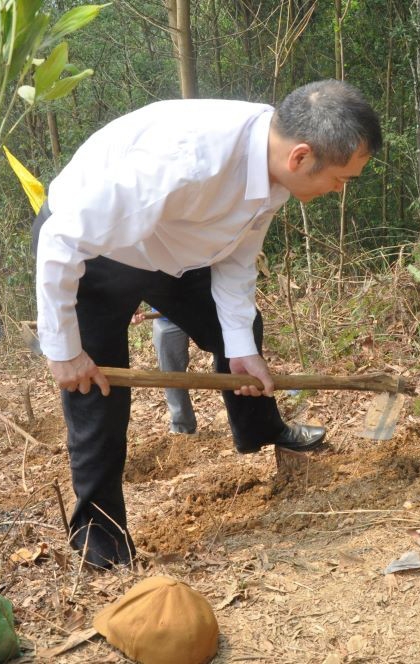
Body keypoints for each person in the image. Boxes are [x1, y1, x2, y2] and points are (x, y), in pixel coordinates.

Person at [33, 79, 382, 568]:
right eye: (342, 179)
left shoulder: (275, 163)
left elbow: (238, 256)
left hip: (175, 251)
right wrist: (64, 351)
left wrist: (239, 345)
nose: (339, 191)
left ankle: (261, 432)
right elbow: (62, 239)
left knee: (241, 335)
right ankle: (101, 538)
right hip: (96, 255)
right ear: (301, 158)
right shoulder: (183, 161)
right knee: (99, 395)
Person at [132, 307, 197, 434]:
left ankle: (243, 430)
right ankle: (182, 429)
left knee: (230, 365)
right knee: (171, 373)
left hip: (213, 309)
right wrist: (131, 304)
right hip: (167, 317)